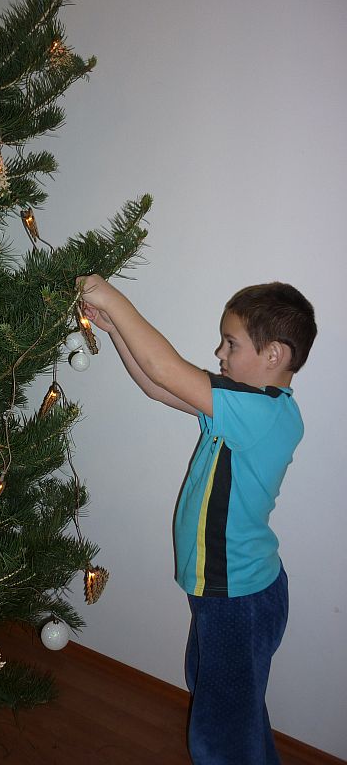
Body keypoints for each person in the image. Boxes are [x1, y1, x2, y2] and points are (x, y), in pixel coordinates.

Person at [76, 274, 317, 765]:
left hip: (238, 597)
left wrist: (113, 298)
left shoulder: (260, 413)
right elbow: (158, 386)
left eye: (231, 343)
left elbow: (165, 368)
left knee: (220, 732)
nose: (219, 353)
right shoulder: (245, 406)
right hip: (229, 593)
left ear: (274, 354)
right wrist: (115, 330)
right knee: (228, 706)